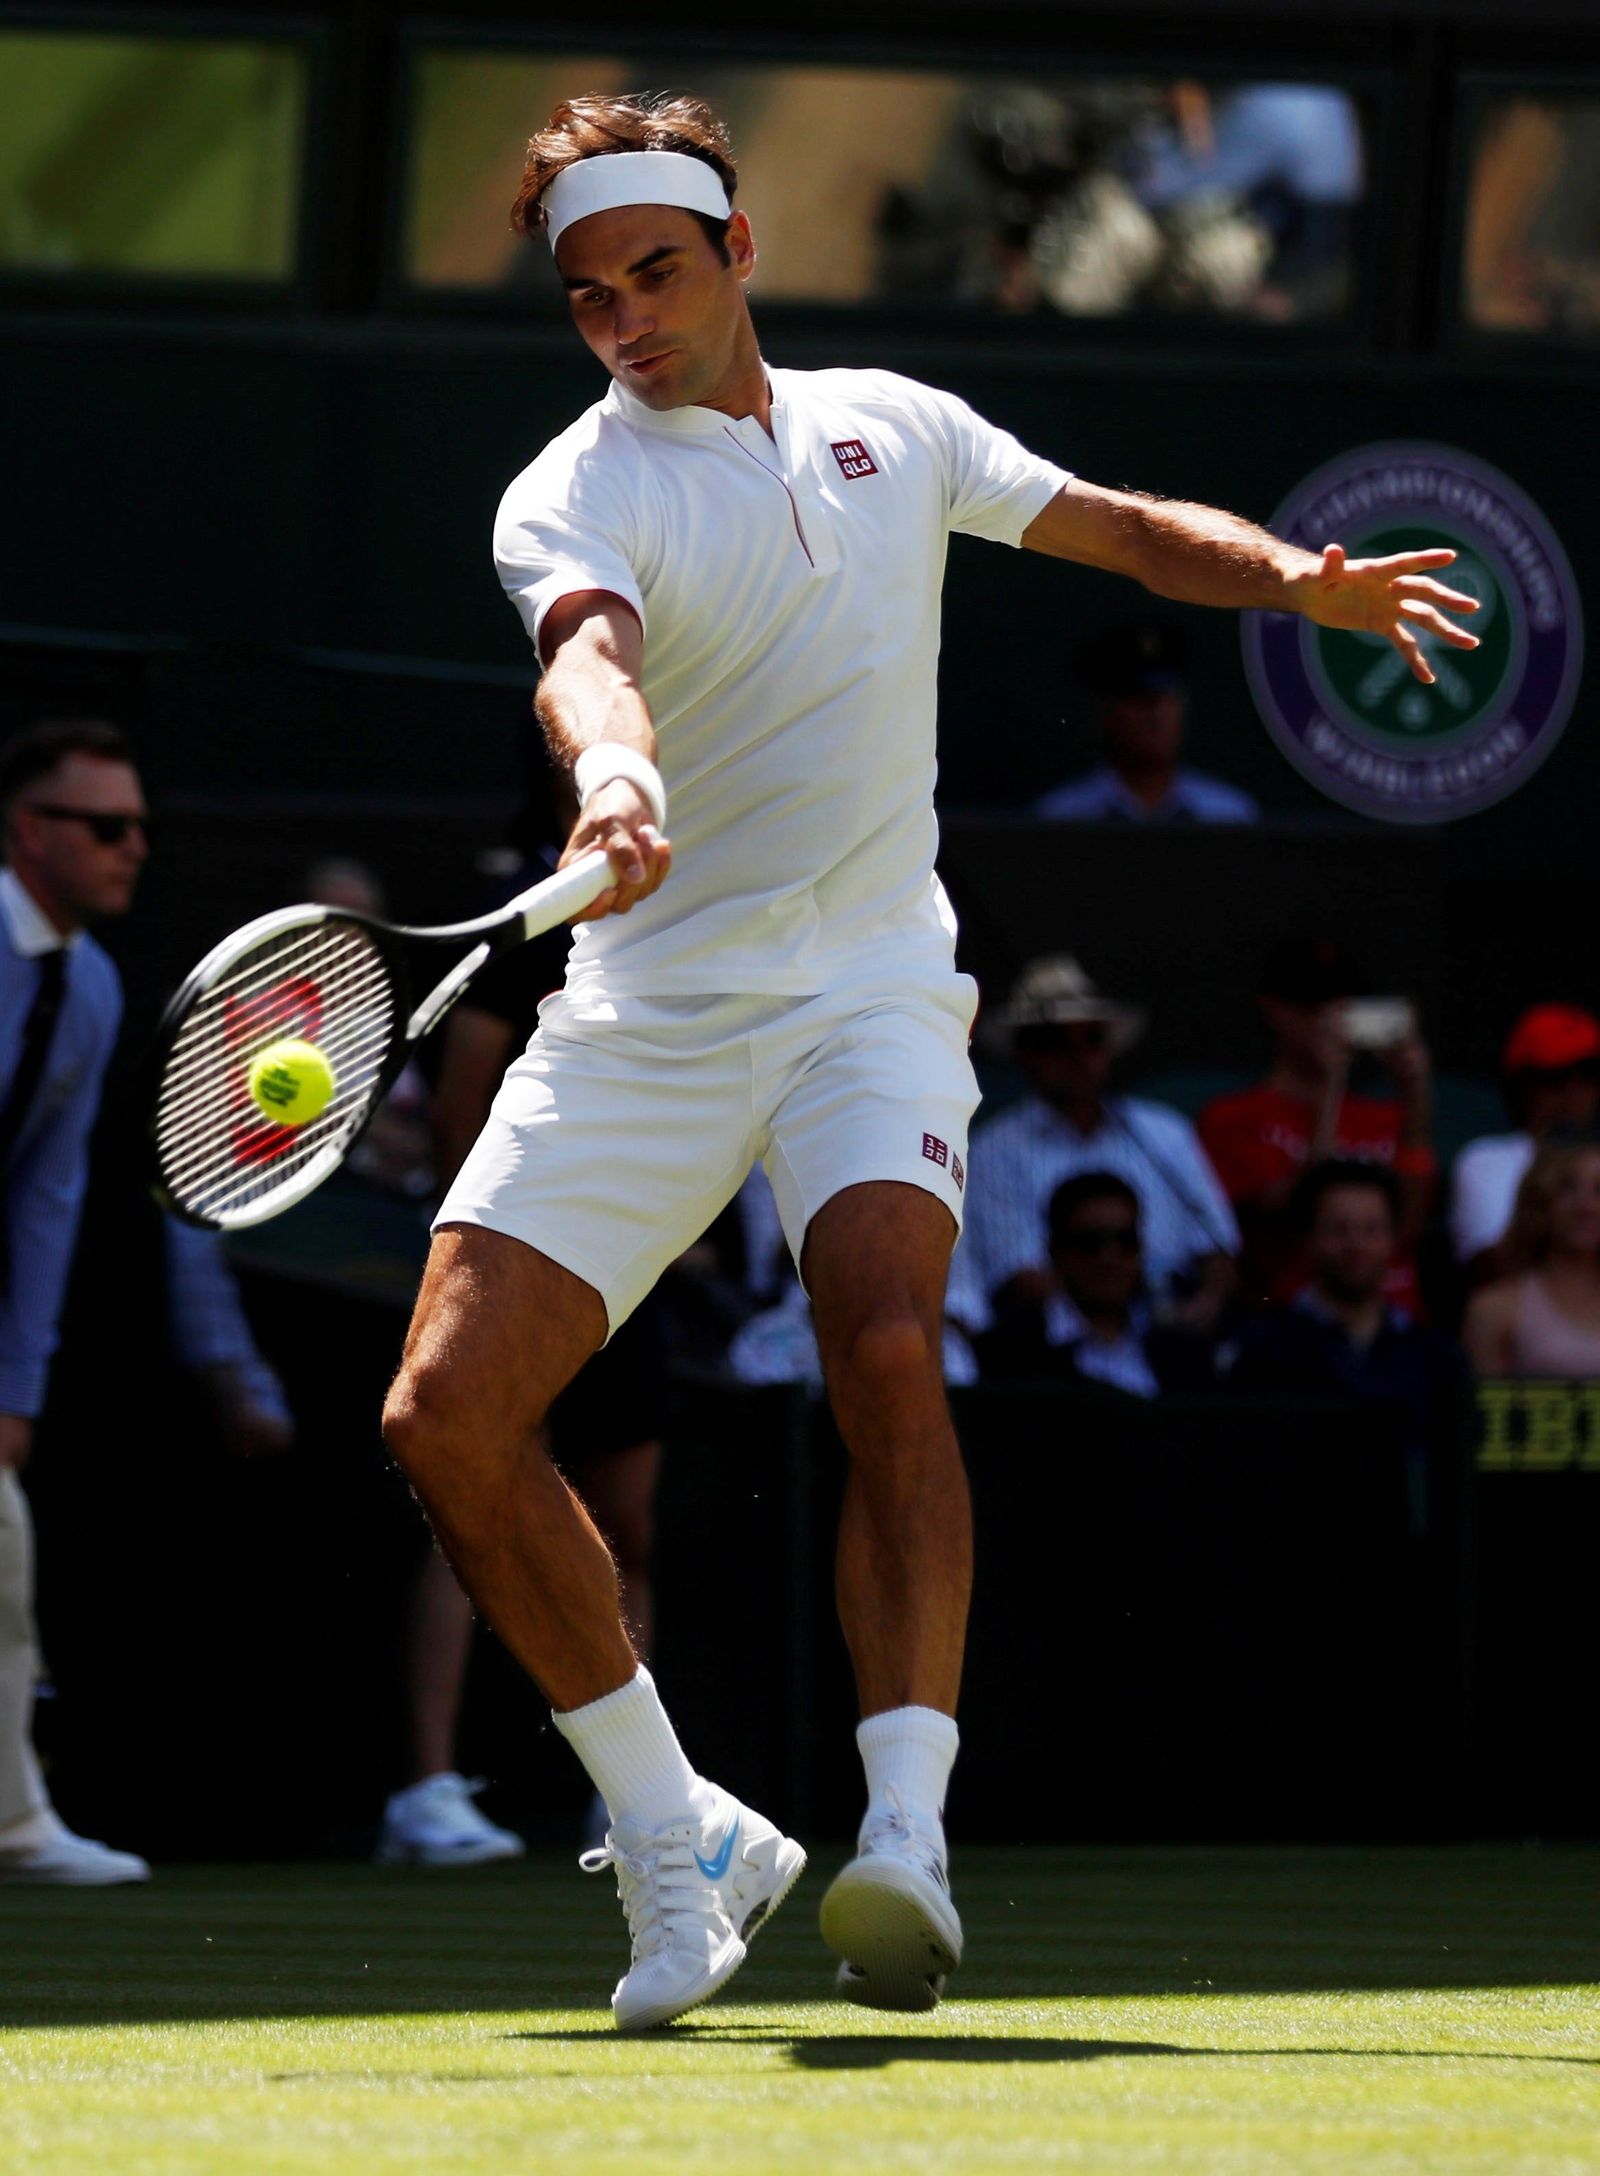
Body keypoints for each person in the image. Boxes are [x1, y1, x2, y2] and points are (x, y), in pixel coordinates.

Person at [376, 89, 1478, 2031]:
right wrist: (613, 769)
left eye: (654, 270)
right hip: (647, 1010)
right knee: (443, 1414)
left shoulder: (902, 429)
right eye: (585, 293)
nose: (624, 316)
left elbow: (1125, 534)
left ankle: (903, 1833)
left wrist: (1297, 581)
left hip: (872, 990)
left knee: (883, 1333)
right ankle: (673, 1827)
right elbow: (585, 652)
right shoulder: (569, 488)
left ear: (733, 254)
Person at [0, 719, 151, 1885]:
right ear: (28, 830)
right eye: (106, 827)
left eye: (140, 828)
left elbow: (45, 1203)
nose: (131, 847)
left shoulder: (88, 986)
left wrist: (16, 1384)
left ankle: (13, 1825)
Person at [951, 955, 1240, 1339]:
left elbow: (1220, 1247)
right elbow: (1021, 1279)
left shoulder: (1165, 1132)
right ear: (1024, 1053)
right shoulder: (994, 1150)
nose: (1078, 1056)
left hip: (1177, 1337)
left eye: (1092, 1038)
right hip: (1060, 1345)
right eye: (1056, 1042)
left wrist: (1199, 1311)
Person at [1199, 937, 1436, 1315]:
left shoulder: (1388, 1115)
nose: (1329, 1016)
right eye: (1312, 1002)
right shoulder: (1233, 1117)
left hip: (1396, 1322)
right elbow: (1305, 1211)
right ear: (1273, 1009)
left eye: (1343, 1003)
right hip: (1296, 1325)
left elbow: (1409, 1226)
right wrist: (1331, 1084)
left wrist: (1416, 1095)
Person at [1226, 1162, 1467, 1533]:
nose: (1356, 1244)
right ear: (1307, 1239)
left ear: (1393, 1240)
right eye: (1338, 1229)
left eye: (1371, 1230)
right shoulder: (1263, 1349)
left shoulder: (1436, 1356)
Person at [976, 1172, 1216, 1397]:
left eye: (1124, 1241)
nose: (1109, 1258)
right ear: (1055, 1252)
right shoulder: (1011, 1352)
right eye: (1090, 1243)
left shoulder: (1180, 1350)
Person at [1034, 621, 1258, 824]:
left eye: (1167, 698)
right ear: (1106, 709)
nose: (1156, 715)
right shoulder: (1063, 818)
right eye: (1140, 699)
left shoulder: (1228, 816)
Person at [1449, 1004, 1600, 1286]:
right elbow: (1493, 1274)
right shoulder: (1486, 1159)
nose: (1575, 1093)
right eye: (1556, 1078)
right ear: (1520, 1086)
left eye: (1588, 1077)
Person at [1463, 1142, 1600, 1377]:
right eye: (1567, 1188)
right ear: (1540, 1202)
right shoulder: (1493, 1311)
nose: (1585, 1206)